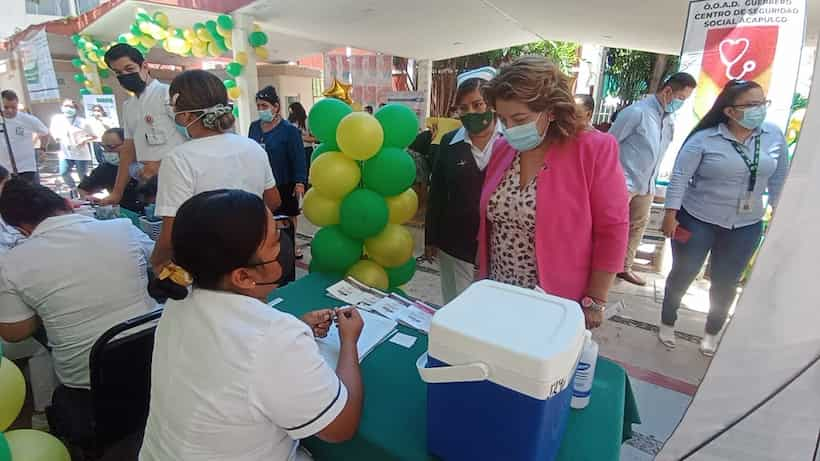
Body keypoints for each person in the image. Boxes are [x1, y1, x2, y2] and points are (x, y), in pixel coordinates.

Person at [140, 189, 364, 461]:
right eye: (274, 242)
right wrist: (349, 342)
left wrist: (297, 325)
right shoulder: (275, 337)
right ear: (244, 276)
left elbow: (234, 353)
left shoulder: (179, 298)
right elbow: (340, 428)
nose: (284, 243)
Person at [478, 56, 629, 329]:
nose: (509, 129)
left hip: (557, 299)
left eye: (519, 118)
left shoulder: (592, 149)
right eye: (502, 119)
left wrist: (596, 298)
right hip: (499, 290)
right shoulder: (503, 149)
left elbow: (613, 228)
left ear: (551, 110)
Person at [659, 80, 789, 356]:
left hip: (746, 225)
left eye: (763, 103)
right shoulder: (704, 139)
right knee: (684, 273)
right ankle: (668, 321)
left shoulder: (774, 136)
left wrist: (779, 212)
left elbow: (778, 179)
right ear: (729, 112)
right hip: (697, 218)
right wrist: (670, 215)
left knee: (726, 282)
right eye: (752, 105)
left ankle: (712, 332)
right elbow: (680, 178)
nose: (760, 110)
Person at [0, 179, 157, 391]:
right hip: (154, 354)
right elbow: (159, 262)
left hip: (87, 379)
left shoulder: (12, 262)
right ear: (67, 204)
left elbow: (14, 332)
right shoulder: (122, 228)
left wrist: (51, 305)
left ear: (22, 228)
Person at [151, 70, 281, 272]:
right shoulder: (252, 147)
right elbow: (273, 201)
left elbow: (171, 233)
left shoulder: (179, 159)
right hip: (253, 255)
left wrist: (157, 262)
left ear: (184, 115)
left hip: (209, 264)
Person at [608, 72, 697, 286]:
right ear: (668, 91)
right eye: (681, 98)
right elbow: (609, 144)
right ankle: (604, 270)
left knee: (637, 226)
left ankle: (624, 267)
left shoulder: (667, 120)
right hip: (622, 183)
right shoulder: (636, 113)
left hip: (646, 183)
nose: (681, 104)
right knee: (612, 229)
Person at [426, 66, 502, 303]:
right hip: (455, 242)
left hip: (500, 244)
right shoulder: (449, 141)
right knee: (456, 303)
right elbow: (437, 192)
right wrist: (431, 238)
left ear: (492, 104)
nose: (472, 113)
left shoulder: (511, 141)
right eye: (464, 108)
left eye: (478, 105)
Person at [99, 43, 185, 206]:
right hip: (149, 183)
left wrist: (160, 165)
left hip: (180, 176)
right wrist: (117, 192)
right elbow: (128, 150)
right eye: (118, 73)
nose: (125, 75)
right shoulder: (128, 106)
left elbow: (194, 138)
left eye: (129, 69)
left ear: (144, 66)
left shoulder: (167, 94)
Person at [249, 86, 307, 251]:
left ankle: (291, 245)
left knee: (287, 216)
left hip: (283, 180)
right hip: (260, 182)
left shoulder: (289, 130)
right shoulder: (254, 127)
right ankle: (269, 246)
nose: (261, 110)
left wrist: (300, 182)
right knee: (265, 216)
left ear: (276, 107)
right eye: (258, 106)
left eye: (264, 106)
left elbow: (298, 158)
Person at [78, 128, 144, 213]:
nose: (107, 151)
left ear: (129, 145)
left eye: (111, 147)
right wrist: (88, 198)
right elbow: (83, 189)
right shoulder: (105, 169)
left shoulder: (146, 164)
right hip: (123, 214)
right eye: (103, 147)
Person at [0, 90, 49, 184]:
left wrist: (42, 148)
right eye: (6, 107)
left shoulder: (27, 119)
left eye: (13, 107)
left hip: (26, 168)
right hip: (3, 170)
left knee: (30, 196)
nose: (10, 110)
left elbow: (45, 133)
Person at [50, 99, 95, 195]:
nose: (68, 109)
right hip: (66, 153)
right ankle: (73, 188)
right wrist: (56, 137)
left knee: (82, 176)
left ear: (76, 109)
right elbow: (52, 130)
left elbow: (94, 135)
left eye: (71, 107)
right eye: (66, 106)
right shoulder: (57, 119)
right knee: (63, 172)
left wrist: (84, 140)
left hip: (81, 153)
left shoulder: (83, 122)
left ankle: (85, 193)